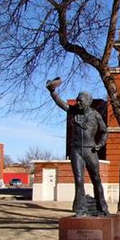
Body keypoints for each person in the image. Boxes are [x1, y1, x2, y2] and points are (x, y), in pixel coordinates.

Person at [47, 78, 110, 217]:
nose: (78, 102)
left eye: (81, 100)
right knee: (79, 179)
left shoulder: (95, 115)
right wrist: (53, 92)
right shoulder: (73, 111)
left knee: (96, 179)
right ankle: (81, 210)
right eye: (77, 100)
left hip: (90, 150)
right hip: (76, 150)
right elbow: (61, 104)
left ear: (88, 101)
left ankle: (102, 207)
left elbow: (104, 131)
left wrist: (99, 145)